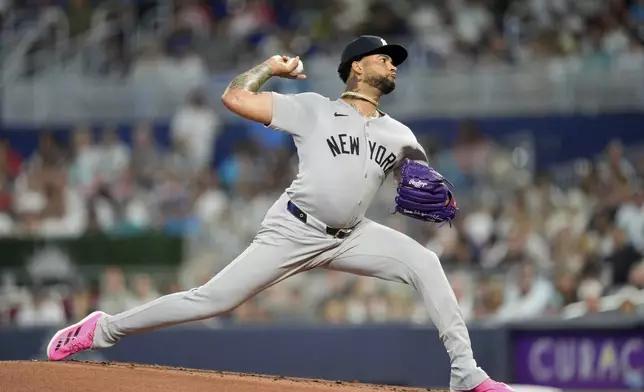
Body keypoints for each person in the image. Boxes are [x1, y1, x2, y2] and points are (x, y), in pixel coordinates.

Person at [46, 35, 513, 392]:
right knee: (212, 300)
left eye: (395, 59)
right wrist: (270, 67)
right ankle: (101, 329)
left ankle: (467, 375)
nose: (393, 63)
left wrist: (427, 183)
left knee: (426, 263)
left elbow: (420, 182)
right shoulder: (313, 109)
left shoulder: (400, 134)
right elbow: (234, 97)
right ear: (356, 67)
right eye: (383, 56)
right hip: (294, 226)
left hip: (352, 234)